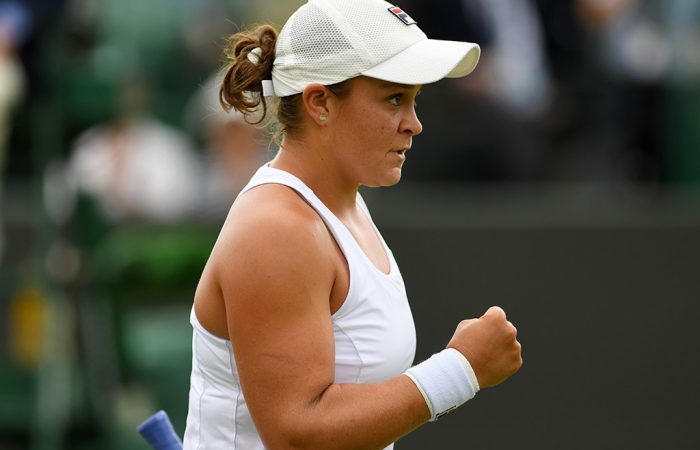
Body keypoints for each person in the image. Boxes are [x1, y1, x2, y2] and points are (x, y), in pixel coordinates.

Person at [184, 0, 522, 449]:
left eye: (414, 99)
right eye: (394, 99)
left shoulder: (346, 206)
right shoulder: (277, 229)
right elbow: (296, 433)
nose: (414, 124)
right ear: (320, 102)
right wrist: (460, 369)